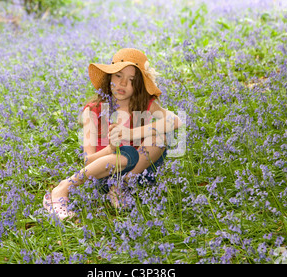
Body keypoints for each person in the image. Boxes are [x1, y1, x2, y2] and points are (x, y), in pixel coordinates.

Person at [43, 48, 182, 220]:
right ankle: (63, 188)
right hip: (106, 175)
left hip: (140, 174)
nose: (123, 83)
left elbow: (175, 121)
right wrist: (110, 149)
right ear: (109, 77)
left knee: (161, 136)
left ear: (138, 85)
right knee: (127, 153)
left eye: (131, 80)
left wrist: (130, 133)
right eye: (118, 76)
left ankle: (122, 186)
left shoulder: (144, 103)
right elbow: (88, 160)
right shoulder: (93, 111)